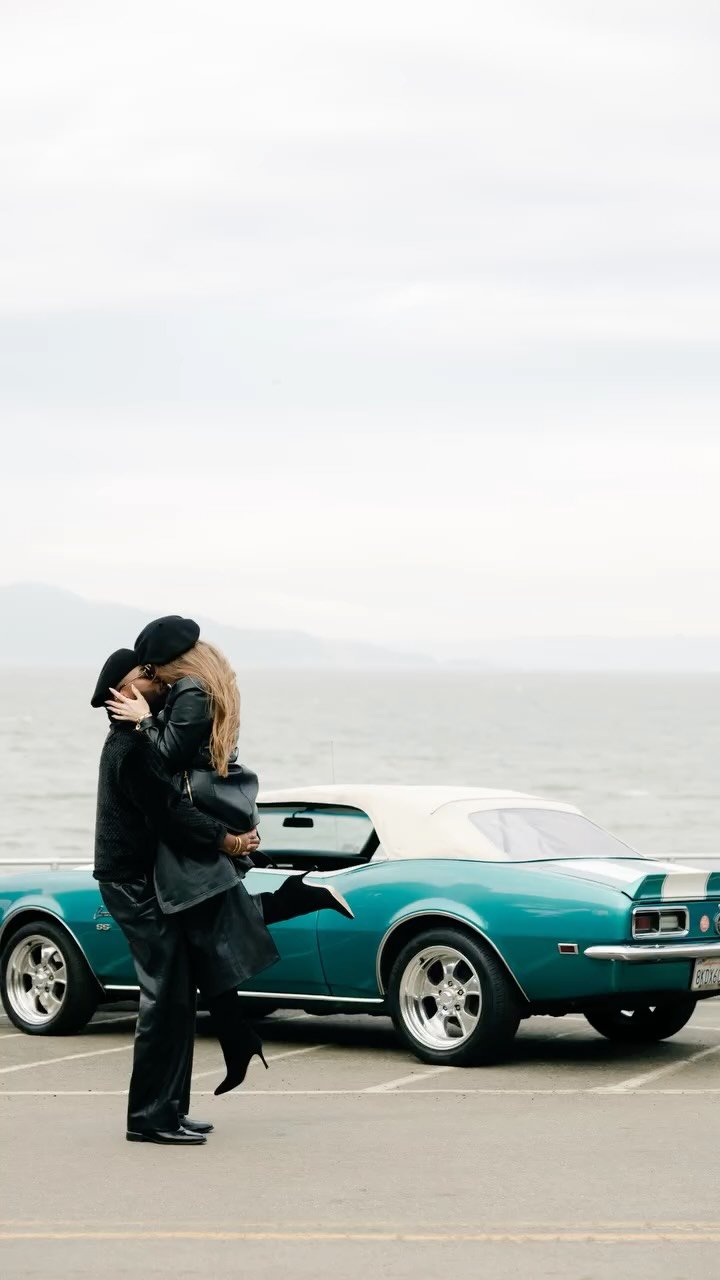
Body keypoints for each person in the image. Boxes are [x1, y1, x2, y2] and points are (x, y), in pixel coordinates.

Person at [91, 649, 279, 1147]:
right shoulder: (130, 748)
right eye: (144, 674)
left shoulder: (137, 741)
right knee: (163, 998)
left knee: (176, 997)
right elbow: (171, 812)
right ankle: (149, 1118)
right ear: (122, 693)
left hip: (139, 881)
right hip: (130, 884)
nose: (155, 678)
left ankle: (170, 1109)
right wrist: (228, 840)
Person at [106, 614, 354, 925]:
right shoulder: (209, 686)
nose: (157, 679)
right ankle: (301, 895)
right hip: (212, 798)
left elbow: (168, 755)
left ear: (171, 662)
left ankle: (301, 896)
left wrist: (145, 719)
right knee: (213, 912)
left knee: (208, 913)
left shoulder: (191, 689)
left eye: (152, 669)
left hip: (195, 803)